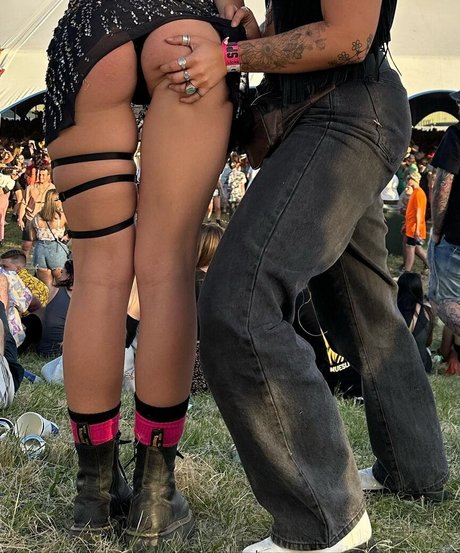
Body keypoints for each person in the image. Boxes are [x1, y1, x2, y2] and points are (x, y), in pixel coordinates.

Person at [163, 2, 450, 552]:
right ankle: (413, 467)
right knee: (361, 309)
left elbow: (350, 38)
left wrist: (231, 55)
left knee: (240, 299)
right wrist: (262, 35)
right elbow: (311, 22)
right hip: (341, 113)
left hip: (345, 115)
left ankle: (325, 520)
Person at [44, 0, 246, 547]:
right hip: (185, 30)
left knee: (97, 278)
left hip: (94, 34)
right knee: (168, 272)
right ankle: (154, 501)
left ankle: (93, 498)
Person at [428, 90, 460, 337]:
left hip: (455, 240)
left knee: (443, 302)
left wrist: (437, 230)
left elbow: (443, 184)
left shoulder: (457, 134)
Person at [31, 189, 69, 289]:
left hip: (40, 250)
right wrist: (66, 237)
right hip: (56, 250)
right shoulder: (61, 216)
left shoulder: (37, 217)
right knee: (62, 284)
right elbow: (75, 228)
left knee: (46, 287)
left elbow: (33, 237)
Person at [396, 272, 434, 373]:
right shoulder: (427, 311)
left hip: (396, 366)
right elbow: (428, 342)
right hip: (422, 366)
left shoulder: (393, 311)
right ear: (419, 290)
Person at [403, 171, 428, 273]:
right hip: (411, 227)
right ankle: (430, 265)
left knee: (410, 248)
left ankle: (407, 271)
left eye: (409, 179)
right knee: (417, 249)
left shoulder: (418, 193)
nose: (408, 182)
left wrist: (417, 230)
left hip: (414, 228)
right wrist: (405, 225)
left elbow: (419, 213)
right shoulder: (415, 192)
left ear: (413, 180)